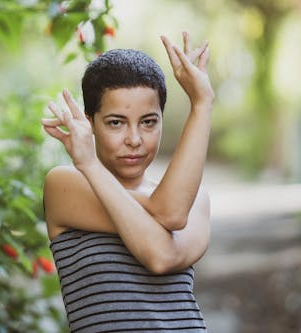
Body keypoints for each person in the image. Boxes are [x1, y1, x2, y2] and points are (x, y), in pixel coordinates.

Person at [41, 32, 213, 332]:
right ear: (89, 122)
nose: (134, 140)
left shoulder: (195, 201)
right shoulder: (64, 184)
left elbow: (164, 242)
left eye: (148, 122)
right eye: (116, 122)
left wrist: (202, 103)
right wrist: (90, 166)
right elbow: (163, 237)